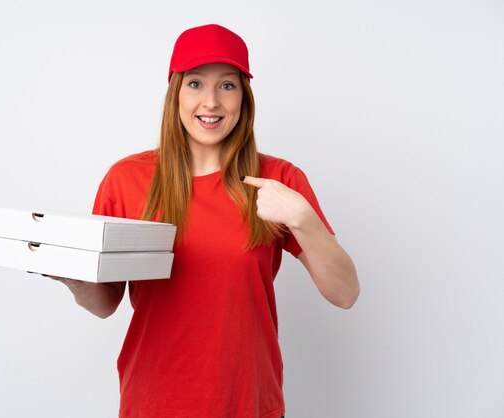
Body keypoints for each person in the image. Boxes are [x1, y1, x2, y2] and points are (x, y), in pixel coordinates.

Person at [51, 23, 359, 418]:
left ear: (244, 98)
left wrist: (303, 219)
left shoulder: (280, 181)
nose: (211, 101)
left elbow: (345, 293)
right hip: (153, 403)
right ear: (175, 94)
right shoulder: (126, 180)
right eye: (195, 84)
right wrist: (75, 280)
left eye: (227, 86)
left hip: (249, 404)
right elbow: (106, 302)